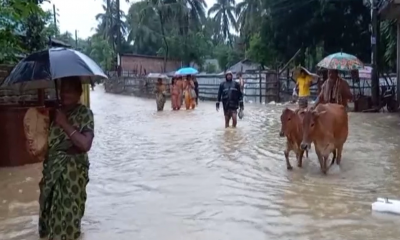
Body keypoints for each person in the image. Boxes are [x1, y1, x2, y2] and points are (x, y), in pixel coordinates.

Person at [38, 77, 95, 240]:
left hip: (73, 176)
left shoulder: (85, 114)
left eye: (69, 90)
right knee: (50, 219)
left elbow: (85, 144)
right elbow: (42, 145)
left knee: (69, 220)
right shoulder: (53, 114)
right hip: (52, 173)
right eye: (63, 89)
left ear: (79, 93)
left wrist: (64, 123)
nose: (64, 94)